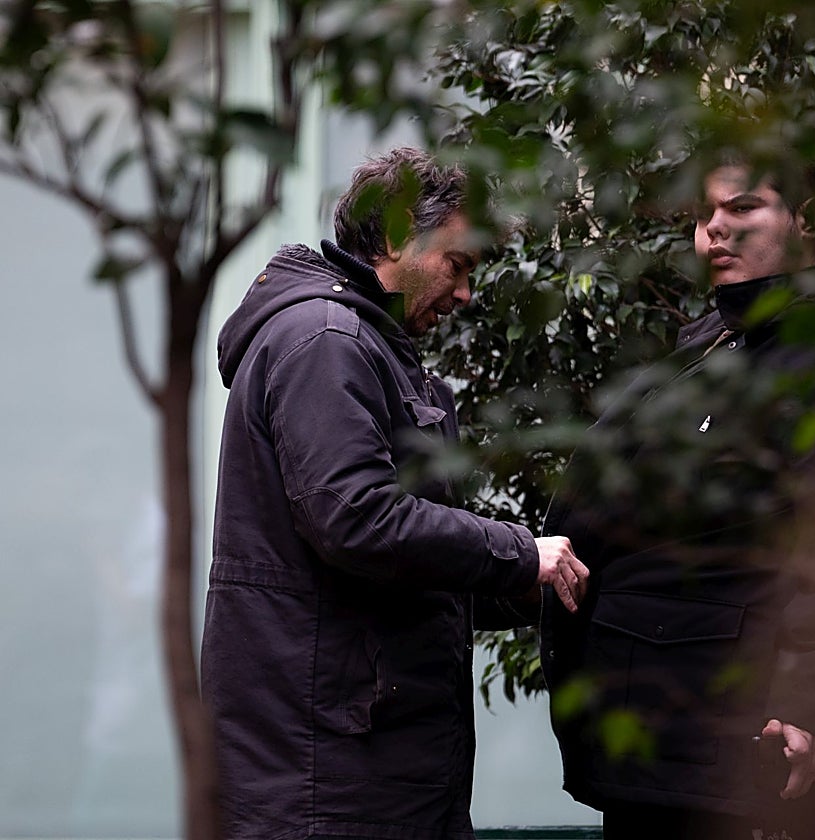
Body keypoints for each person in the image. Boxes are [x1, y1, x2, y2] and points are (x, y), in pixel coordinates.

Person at [200, 147, 588, 840]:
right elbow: (358, 518)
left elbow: (399, 565)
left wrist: (519, 586)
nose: (466, 294)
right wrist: (517, 552)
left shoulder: (363, 344)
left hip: (364, 764)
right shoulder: (326, 340)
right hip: (330, 777)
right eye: (459, 265)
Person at [540, 151, 815, 839]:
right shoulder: (710, 352)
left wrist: (814, 705)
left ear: (807, 218)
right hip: (663, 744)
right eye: (703, 216)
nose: (714, 232)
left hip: (753, 756)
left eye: (741, 209)